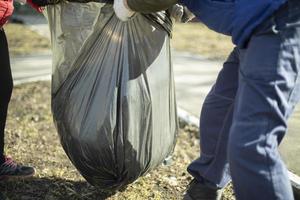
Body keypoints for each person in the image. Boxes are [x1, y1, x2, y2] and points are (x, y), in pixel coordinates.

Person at [113, 0, 300, 200]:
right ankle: (206, 187)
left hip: (282, 24)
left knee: (252, 147)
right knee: (219, 111)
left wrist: (127, 4)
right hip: (253, 29)